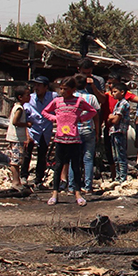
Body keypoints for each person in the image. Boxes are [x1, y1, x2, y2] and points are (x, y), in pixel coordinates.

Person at [40, 75, 98, 206]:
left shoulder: (79, 102)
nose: (62, 91)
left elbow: (92, 111)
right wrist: (55, 118)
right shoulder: (57, 101)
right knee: (58, 166)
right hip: (60, 139)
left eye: (65, 89)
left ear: (72, 90)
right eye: (61, 89)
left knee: (76, 167)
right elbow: (45, 112)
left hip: (74, 139)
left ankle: (78, 193)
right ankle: (55, 193)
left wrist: (81, 119)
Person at [22, 75, 57, 189]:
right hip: (33, 129)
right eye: (35, 85)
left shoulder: (53, 97)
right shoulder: (30, 98)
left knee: (42, 155)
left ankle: (39, 179)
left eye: (39, 85)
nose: (36, 88)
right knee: (27, 154)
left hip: (45, 130)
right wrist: (26, 133)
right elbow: (24, 115)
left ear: (46, 87)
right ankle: (24, 177)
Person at [74, 76, 101, 193]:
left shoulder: (71, 97)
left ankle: (72, 186)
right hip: (88, 130)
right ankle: (88, 186)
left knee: (73, 159)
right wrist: (97, 132)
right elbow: (96, 116)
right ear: (86, 85)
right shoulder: (91, 98)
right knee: (88, 159)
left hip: (74, 131)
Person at [6, 85, 32, 191]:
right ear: (20, 97)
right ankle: (16, 182)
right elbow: (15, 122)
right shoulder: (19, 109)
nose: (29, 97)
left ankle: (16, 181)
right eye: (27, 95)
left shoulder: (18, 107)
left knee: (16, 160)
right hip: (16, 138)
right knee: (15, 161)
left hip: (16, 138)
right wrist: (26, 124)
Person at [107, 81, 132, 181]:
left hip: (119, 132)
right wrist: (110, 118)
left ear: (122, 92)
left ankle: (122, 177)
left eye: (115, 92)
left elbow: (115, 120)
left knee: (121, 156)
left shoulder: (123, 104)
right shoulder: (118, 103)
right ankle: (118, 177)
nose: (113, 94)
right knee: (116, 157)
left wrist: (111, 117)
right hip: (114, 132)